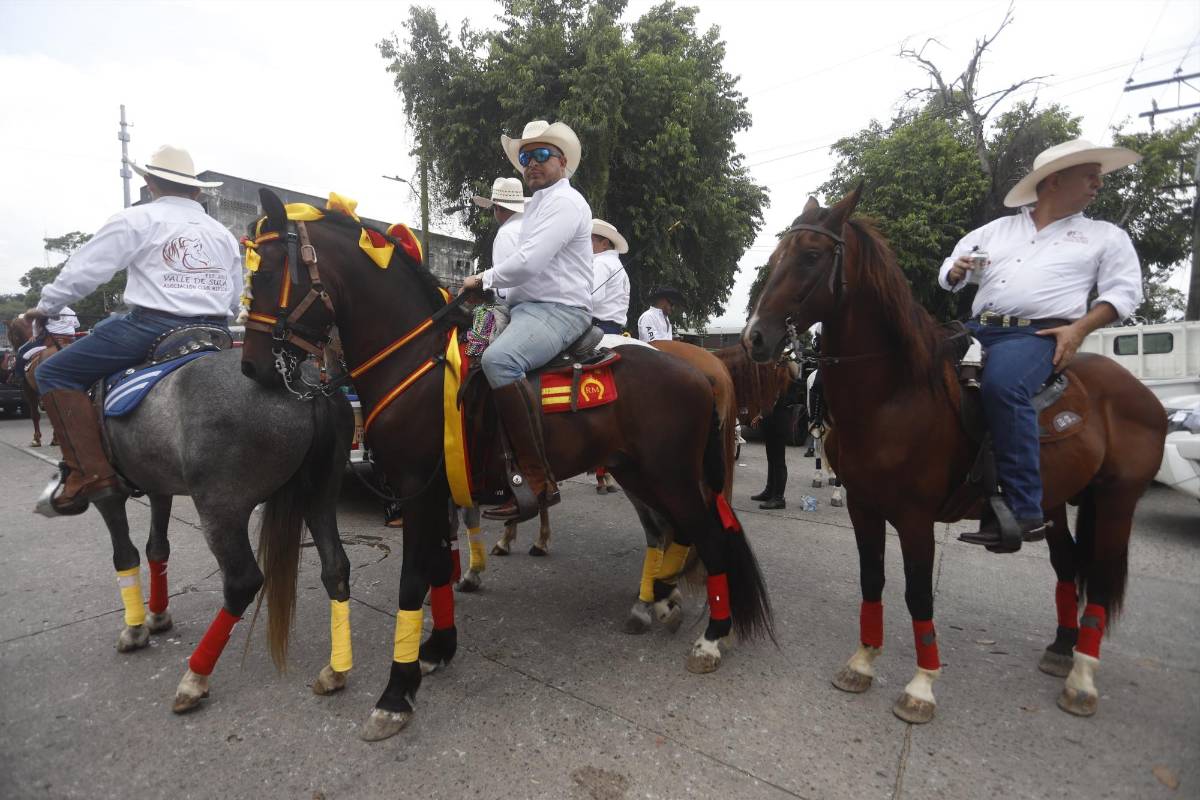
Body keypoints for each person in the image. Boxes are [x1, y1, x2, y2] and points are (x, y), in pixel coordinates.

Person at [939, 138, 1143, 549]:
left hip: (1037, 334)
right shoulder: (996, 230)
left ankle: (1024, 508)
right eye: (1090, 176)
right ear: (1054, 181)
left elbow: (1123, 294)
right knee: (916, 364)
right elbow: (950, 268)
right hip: (977, 327)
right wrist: (956, 270)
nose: (1097, 185)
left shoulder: (1105, 236)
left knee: (1003, 384)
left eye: (1097, 178)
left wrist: (1079, 330)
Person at [28, 144, 241, 515]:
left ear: (149, 182)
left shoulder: (136, 219)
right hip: (217, 332)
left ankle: (88, 475)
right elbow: (236, 296)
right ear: (196, 190)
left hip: (153, 326)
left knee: (53, 371)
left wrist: (47, 306)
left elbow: (86, 271)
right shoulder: (220, 232)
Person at [458, 120, 593, 522]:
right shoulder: (540, 205)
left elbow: (528, 263)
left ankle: (536, 481)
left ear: (563, 162)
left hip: (559, 309)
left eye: (540, 155)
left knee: (500, 361)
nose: (531, 163)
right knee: (467, 355)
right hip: (527, 307)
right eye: (525, 157)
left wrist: (482, 279)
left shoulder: (567, 204)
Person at [589, 219, 630, 335]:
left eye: (589, 240)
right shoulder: (617, 265)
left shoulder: (601, 263)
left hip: (597, 328)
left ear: (605, 244)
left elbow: (594, 298)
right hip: (613, 328)